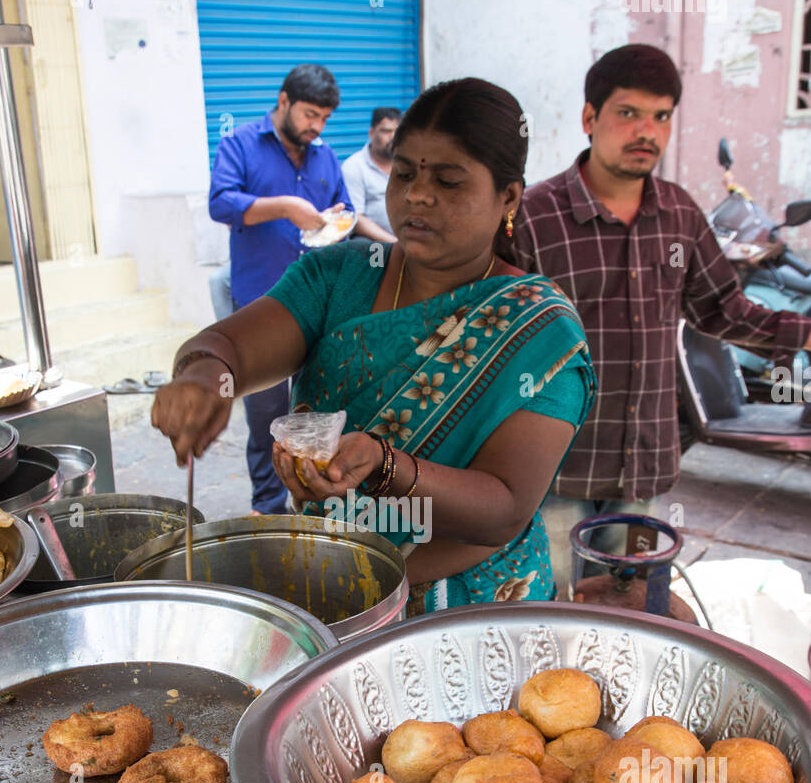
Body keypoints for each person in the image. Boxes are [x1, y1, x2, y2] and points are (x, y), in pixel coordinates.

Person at [153, 77, 596, 608]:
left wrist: (386, 467)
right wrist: (206, 378)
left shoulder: (539, 331)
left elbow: (505, 507)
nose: (416, 195)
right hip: (328, 591)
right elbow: (230, 346)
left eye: (449, 181)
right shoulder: (341, 277)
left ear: (508, 197)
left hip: (472, 611)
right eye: (403, 173)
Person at [513, 43, 811, 595]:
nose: (646, 130)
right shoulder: (536, 217)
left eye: (661, 116)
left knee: (633, 614)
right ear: (589, 118)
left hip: (642, 470)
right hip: (554, 470)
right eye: (628, 113)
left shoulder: (678, 213)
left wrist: (804, 333)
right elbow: (496, 339)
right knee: (554, 614)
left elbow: (722, 309)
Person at [208, 63, 353, 515]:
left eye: (325, 119)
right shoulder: (241, 144)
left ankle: (315, 505)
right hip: (260, 303)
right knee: (267, 416)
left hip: (320, 307)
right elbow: (220, 202)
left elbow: (342, 209)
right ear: (284, 101)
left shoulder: (324, 155)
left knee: (316, 411)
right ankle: (269, 510)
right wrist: (285, 207)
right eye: (311, 115)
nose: (317, 127)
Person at [342, 107, 401, 243]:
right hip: (374, 241)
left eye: (397, 132)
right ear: (371, 133)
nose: (393, 137)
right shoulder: (354, 166)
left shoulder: (408, 163)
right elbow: (355, 218)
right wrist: (395, 243)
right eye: (386, 131)